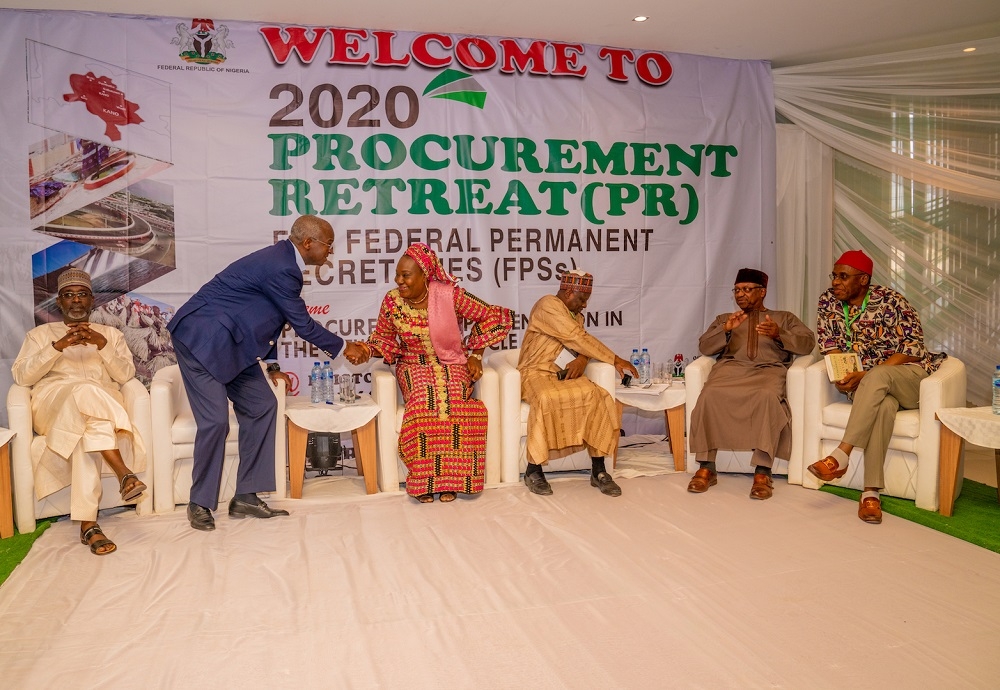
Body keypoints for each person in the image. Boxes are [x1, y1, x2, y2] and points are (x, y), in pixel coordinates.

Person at [168, 215, 350, 531]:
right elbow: (302, 324)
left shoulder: (282, 262)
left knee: (264, 405)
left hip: (235, 343)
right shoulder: (283, 266)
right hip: (203, 339)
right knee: (215, 421)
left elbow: (269, 317)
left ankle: (246, 497)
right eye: (328, 246)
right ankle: (199, 503)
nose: (329, 253)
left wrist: (274, 365)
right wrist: (346, 348)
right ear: (309, 243)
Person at [348, 243, 513, 502]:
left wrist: (476, 354)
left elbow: (494, 316)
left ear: (425, 275)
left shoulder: (450, 295)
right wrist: (367, 351)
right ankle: (425, 481)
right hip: (412, 365)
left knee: (455, 401)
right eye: (398, 275)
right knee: (426, 400)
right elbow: (384, 340)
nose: (399, 280)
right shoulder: (392, 301)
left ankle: (451, 481)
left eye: (406, 275)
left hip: (452, 363)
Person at [11, 269, 147, 555]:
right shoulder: (39, 335)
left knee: (91, 429)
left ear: (92, 301)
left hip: (97, 412)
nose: (76, 301)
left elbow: (125, 376)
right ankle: (123, 471)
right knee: (84, 390)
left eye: (82, 294)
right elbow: (22, 378)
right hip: (53, 404)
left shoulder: (110, 335)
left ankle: (89, 524)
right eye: (69, 295)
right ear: (59, 302)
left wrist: (102, 346)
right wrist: (56, 347)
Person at [806, 250, 946, 524]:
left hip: (906, 376)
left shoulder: (891, 300)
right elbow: (830, 346)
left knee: (879, 376)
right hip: (866, 385)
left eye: (843, 277)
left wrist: (868, 373)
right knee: (883, 407)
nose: (836, 282)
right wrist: (842, 375)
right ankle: (871, 493)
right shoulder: (828, 302)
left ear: (863, 280)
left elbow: (912, 348)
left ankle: (841, 454)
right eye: (834, 275)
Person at [687, 268, 815, 499]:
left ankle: (763, 471)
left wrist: (779, 334)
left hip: (768, 371)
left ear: (763, 291)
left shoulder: (784, 318)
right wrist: (725, 331)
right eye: (737, 290)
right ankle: (706, 467)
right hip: (731, 370)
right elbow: (705, 347)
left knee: (766, 396)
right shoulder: (725, 319)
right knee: (710, 394)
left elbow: (807, 344)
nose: (740, 295)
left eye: (746, 289)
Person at [517, 269, 638, 497]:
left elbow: (581, 344)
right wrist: (615, 359)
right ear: (569, 291)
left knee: (597, 395)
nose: (584, 305)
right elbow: (577, 337)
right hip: (534, 374)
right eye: (582, 299)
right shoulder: (548, 305)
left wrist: (582, 359)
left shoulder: (576, 317)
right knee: (546, 398)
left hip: (563, 375)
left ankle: (598, 470)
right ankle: (533, 470)